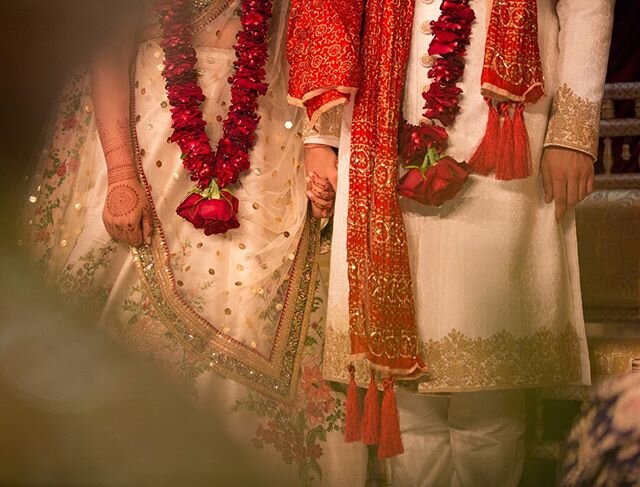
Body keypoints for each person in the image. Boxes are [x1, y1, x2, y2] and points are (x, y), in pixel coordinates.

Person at [22, 0, 366, 484]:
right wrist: (121, 172)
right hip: (152, 124)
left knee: (256, 309)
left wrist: (319, 139)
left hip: (268, 131)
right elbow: (106, 41)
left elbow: (320, 24)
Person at [288, 0, 615, 485]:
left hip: (504, 131)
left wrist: (572, 133)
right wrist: (322, 137)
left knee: (490, 385)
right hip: (382, 122)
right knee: (408, 388)